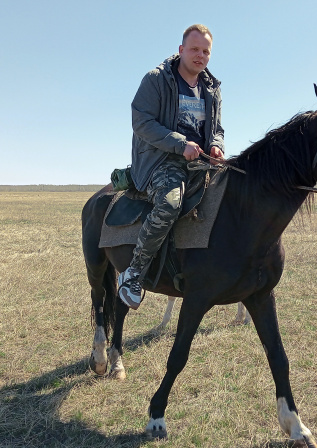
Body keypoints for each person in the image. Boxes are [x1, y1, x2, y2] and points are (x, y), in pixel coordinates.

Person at [118, 24, 225, 309]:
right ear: (181, 50)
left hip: (201, 162)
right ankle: (134, 273)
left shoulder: (211, 89)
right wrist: (180, 144)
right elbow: (141, 122)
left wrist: (216, 145)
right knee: (169, 203)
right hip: (162, 160)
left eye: (205, 51)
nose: (200, 55)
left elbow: (217, 128)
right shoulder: (157, 80)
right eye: (194, 49)